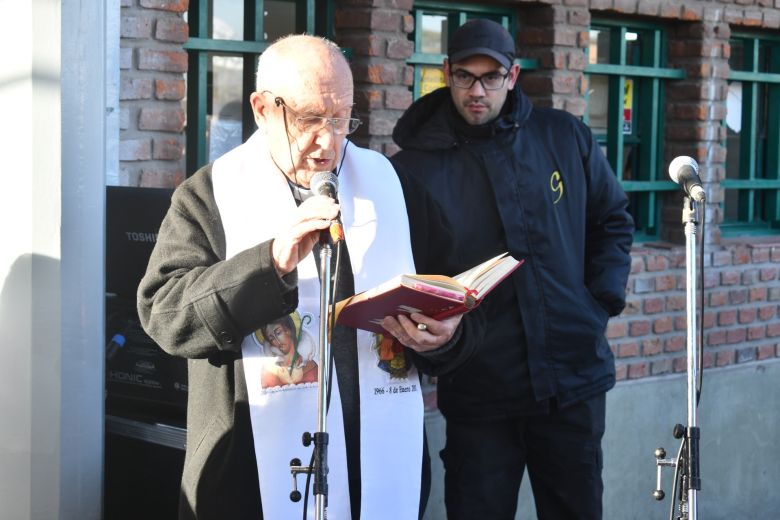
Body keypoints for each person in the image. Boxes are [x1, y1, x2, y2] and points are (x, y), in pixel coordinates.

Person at [137, 34, 483, 520]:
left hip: (376, 474)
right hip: (248, 482)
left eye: (341, 117)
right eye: (308, 119)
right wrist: (270, 264)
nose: (329, 142)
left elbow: (459, 311)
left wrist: (446, 336)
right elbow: (164, 314)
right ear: (260, 108)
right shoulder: (210, 195)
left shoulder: (395, 188)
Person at [390, 19, 634, 520]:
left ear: (514, 75)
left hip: (572, 380)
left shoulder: (564, 137)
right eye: (464, 77)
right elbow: (406, 273)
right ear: (445, 74)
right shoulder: (413, 167)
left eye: (491, 77)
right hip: (480, 388)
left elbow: (612, 220)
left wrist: (598, 304)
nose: (477, 91)